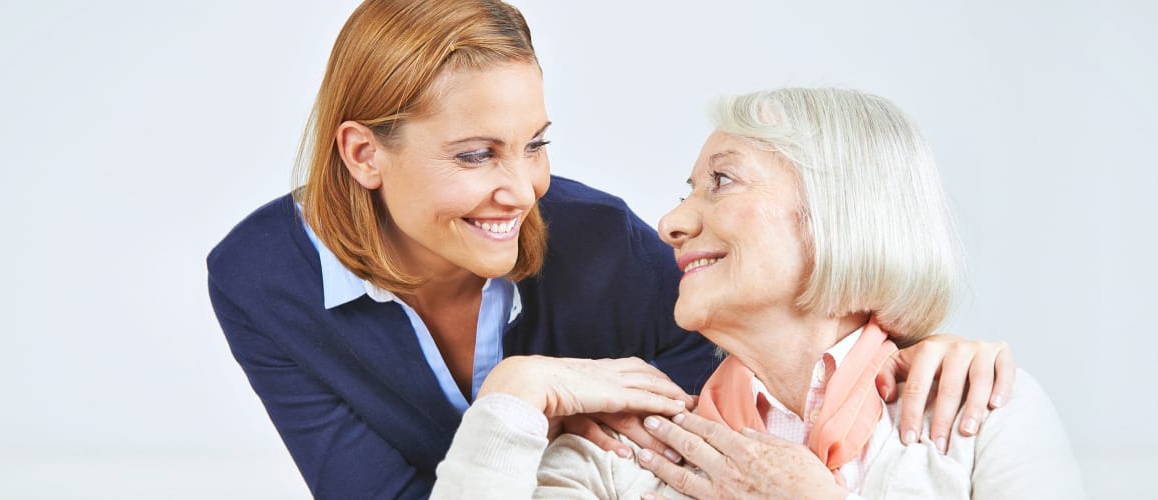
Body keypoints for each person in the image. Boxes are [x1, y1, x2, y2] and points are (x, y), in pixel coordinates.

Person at [205, 2, 1017, 497]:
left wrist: (921, 340)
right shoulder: (259, 280)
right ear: (362, 155)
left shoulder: (595, 240)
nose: (523, 192)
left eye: (535, 144)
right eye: (475, 154)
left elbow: (792, 343)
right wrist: (524, 395)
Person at [431, 88, 1084, 499]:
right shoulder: (619, 459)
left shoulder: (984, 415)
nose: (672, 224)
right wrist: (513, 391)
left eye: (721, 182)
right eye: (686, 191)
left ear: (841, 211)